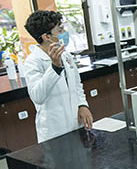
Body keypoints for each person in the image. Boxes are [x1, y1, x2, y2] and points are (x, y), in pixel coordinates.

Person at [23, 10, 93, 143]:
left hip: (76, 124)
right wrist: (54, 67)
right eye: (59, 30)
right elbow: (37, 96)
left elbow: (77, 85)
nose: (64, 32)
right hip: (54, 132)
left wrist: (82, 105)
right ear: (46, 37)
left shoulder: (65, 55)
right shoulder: (33, 61)